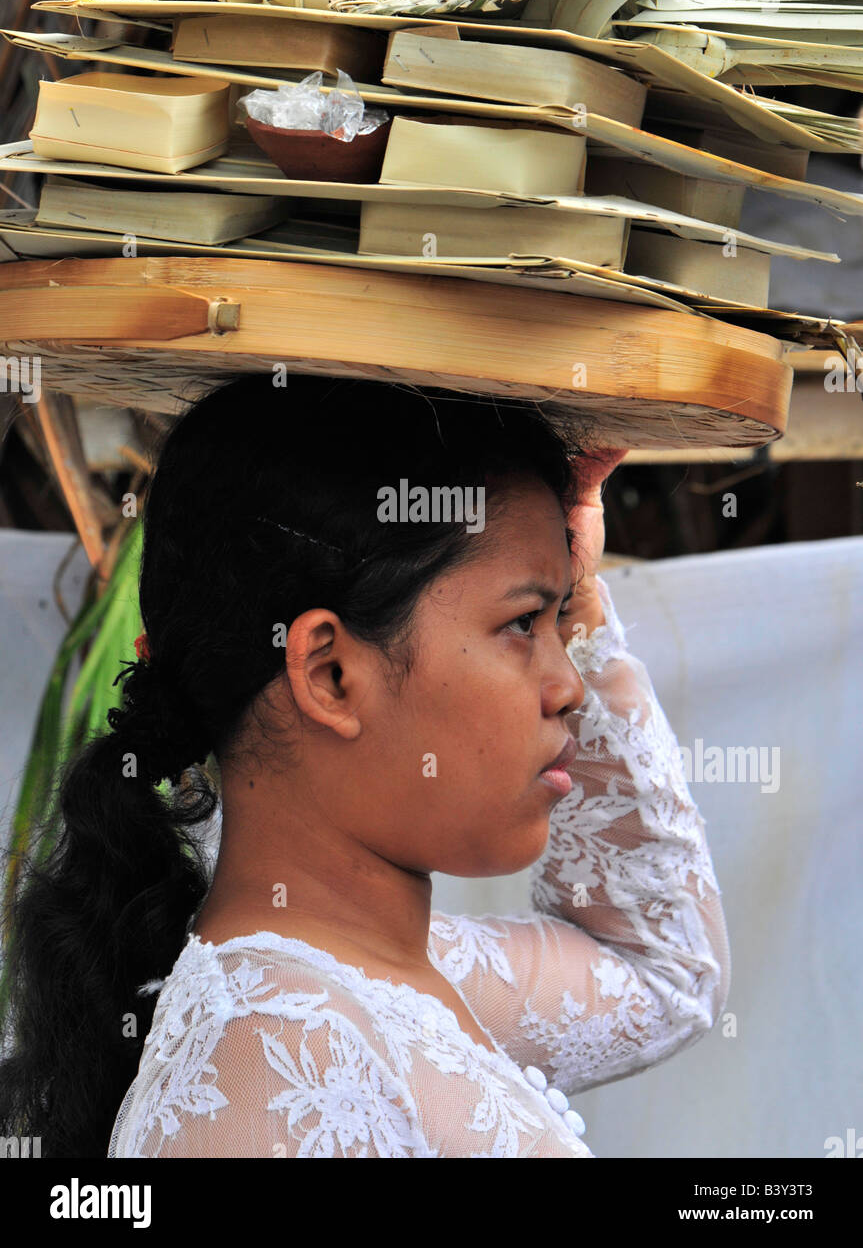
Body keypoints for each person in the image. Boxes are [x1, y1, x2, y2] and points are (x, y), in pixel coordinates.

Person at [0, 371, 730, 1158]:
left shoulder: (365, 979)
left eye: (561, 624)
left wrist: (577, 595)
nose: (569, 685)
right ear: (329, 675)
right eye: (523, 624)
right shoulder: (275, 1061)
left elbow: (662, 975)